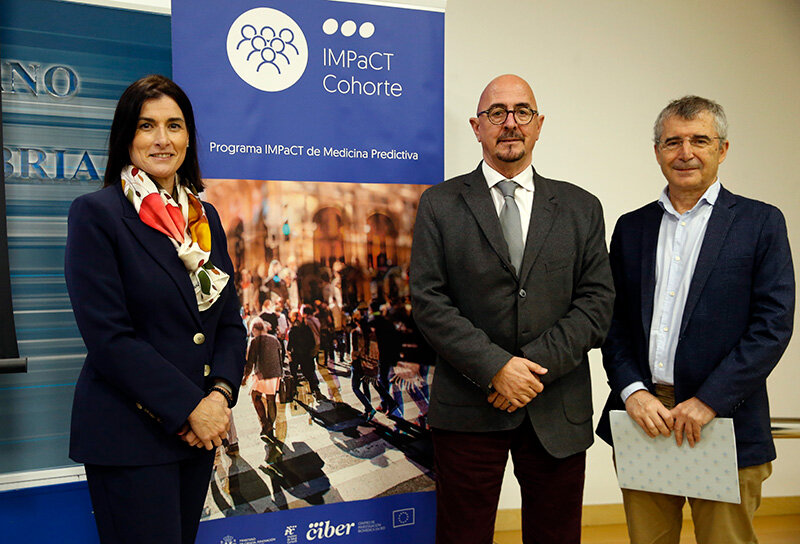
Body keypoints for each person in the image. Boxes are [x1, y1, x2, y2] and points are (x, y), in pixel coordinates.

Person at [409, 74, 615, 544]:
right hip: (467, 408)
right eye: (496, 113)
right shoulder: (439, 205)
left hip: (556, 407)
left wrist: (528, 372)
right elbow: (429, 302)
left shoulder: (581, 208)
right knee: (463, 535)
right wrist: (496, 368)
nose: (510, 123)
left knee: (556, 535)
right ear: (476, 126)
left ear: (539, 124)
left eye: (522, 112)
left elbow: (597, 302)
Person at [596, 96, 795, 544]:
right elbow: (610, 322)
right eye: (673, 142)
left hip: (723, 423)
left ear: (722, 149)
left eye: (699, 140)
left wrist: (709, 400)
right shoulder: (632, 228)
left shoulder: (760, 223)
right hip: (644, 420)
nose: (685, 153)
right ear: (657, 151)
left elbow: (773, 324)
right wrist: (632, 392)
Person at [64, 74, 247, 544]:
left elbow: (228, 325)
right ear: (126, 136)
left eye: (175, 125)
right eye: (147, 126)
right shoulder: (97, 214)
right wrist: (190, 408)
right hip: (131, 437)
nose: (162, 139)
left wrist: (220, 397)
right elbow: (110, 338)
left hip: (196, 434)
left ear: (189, 137)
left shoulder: (205, 221)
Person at [243, 319, 284, 439]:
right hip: (275, 373)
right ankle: (270, 426)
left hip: (262, 375)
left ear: (255, 330)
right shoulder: (274, 339)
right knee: (271, 399)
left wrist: (245, 377)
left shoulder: (255, 341)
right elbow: (280, 357)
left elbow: (250, 362)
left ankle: (265, 423)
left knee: (255, 397)